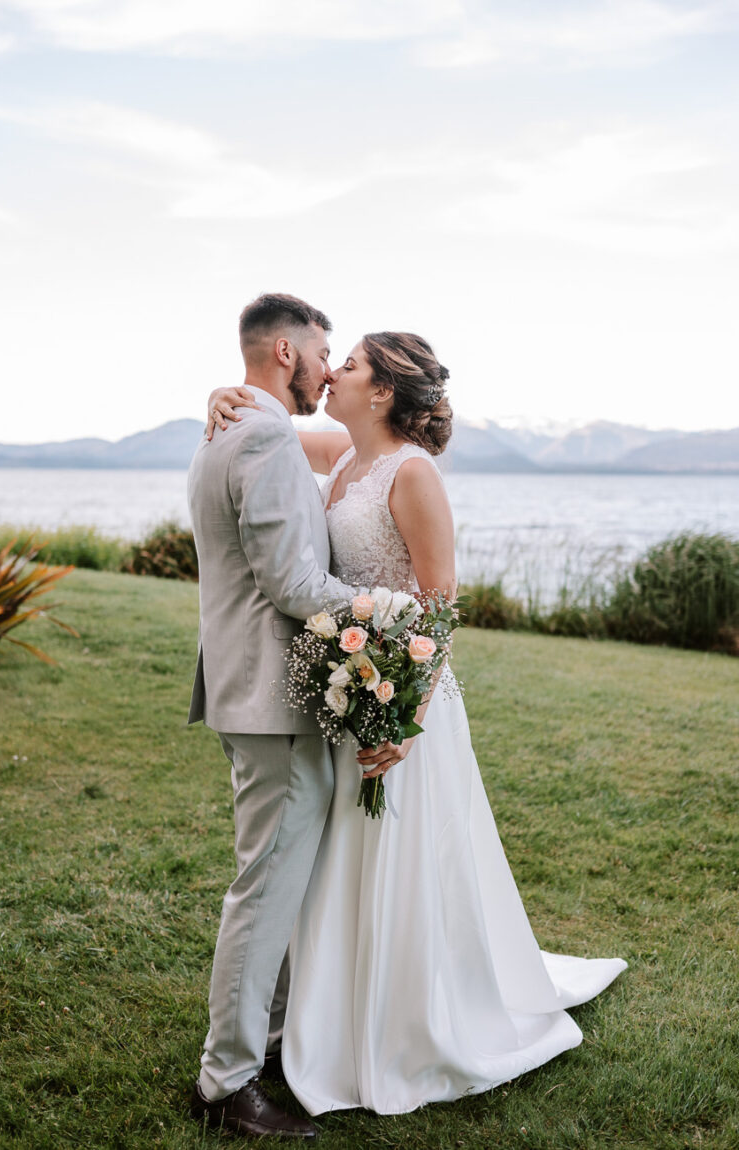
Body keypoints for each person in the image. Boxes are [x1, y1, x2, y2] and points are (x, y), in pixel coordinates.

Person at [207, 330, 627, 1116]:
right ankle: (332, 1019)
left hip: (408, 705)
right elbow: (272, 426)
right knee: (342, 862)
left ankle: (411, 1021)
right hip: (352, 692)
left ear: (383, 393)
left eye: (352, 364)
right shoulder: (345, 456)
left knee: (405, 865)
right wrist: (224, 396)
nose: (333, 372)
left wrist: (407, 717)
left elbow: (440, 605)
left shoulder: (411, 472)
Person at [187, 292, 356, 1139]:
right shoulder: (257, 434)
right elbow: (293, 585)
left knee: (282, 877)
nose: (330, 370)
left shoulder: (230, 426)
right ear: (286, 351)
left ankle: (279, 1039)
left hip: (249, 688)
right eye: (324, 353)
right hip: (273, 700)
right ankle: (227, 1082)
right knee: (263, 888)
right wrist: (387, 609)